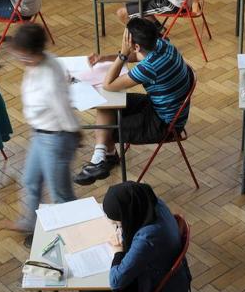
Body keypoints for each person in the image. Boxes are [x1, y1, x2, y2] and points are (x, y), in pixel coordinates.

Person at [74, 182, 191, 292]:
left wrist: (118, 252)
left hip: (156, 291)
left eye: (119, 224)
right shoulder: (152, 203)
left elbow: (116, 281)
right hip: (165, 274)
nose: (119, 229)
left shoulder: (148, 237)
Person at [73, 18, 193, 185]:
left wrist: (122, 55)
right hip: (161, 106)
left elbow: (109, 84)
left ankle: (102, 159)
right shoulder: (162, 44)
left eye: (126, 41)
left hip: (164, 123)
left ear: (135, 45)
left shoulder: (150, 67)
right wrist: (106, 58)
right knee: (106, 104)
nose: (125, 43)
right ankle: (102, 158)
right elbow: (137, 55)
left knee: (108, 128)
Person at [6, 23, 80, 242]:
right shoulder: (41, 62)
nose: (21, 61)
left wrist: (75, 134)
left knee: (61, 194)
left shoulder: (49, 75)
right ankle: (31, 225)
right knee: (30, 180)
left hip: (56, 138)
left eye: (25, 56)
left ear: (36, 52)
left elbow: (64, 110)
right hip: (40, 134)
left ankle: (74, 237)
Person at [115, 0, 193, 28]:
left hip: (175, 4)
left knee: (122, 13)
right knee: (134, 1)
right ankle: (158, 31)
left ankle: (151, 43)